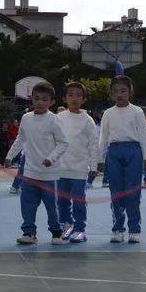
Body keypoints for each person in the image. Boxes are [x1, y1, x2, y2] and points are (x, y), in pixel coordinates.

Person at [5, 81, 69, 245]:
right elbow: (20, 139)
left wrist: (51, 158)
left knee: (51, 207)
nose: (40, 102)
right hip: (29, 173)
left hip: (49, 175)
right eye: (37, 98)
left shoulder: (54, 120)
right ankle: (29, 232)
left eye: (44, 99)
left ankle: (56, 232)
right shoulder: (26, 118)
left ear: (51, 102)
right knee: (27, 205)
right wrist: (10, 156)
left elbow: (63, 143)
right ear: (31, 99)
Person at [97, 75, 146, 244]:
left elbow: (143, 135)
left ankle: (134, 229)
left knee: (133, 192)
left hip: (133, 151)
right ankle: (118, 228)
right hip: (114, 152)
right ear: (111, 94)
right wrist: (100, 158)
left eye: (123, 91)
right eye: (115, 91)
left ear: (130, 92)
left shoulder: (137, 111)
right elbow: (103, 137)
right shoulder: (107, 113)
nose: (119, 94)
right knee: (116, 192)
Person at [56, 82, 99, 244]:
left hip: (80, 170)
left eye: (78, 95)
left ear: (84, 99)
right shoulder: (58, 118)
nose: (74, 98)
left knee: (79, 201)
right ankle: (67, 226)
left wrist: (93, 166)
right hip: (61, 169)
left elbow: (93, 145)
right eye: (71, 95)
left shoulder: (87, 120)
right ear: (64, 98)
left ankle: (80, 229)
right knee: (62, 201)